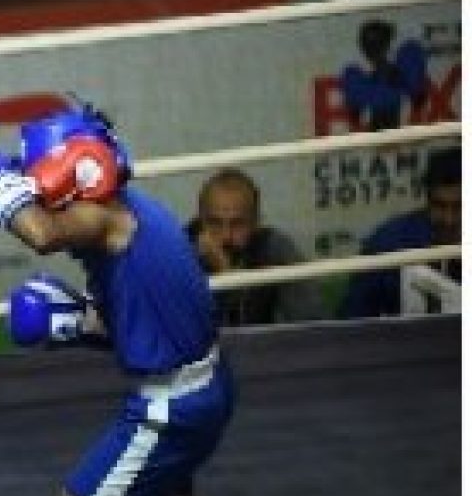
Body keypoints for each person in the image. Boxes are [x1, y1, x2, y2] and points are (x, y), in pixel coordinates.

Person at [0, 102, 235, 496]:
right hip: (208, 385)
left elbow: (42, 234)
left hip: (172, 407)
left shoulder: (106, 216)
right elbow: (150, 323)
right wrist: (83, 322)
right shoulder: (134, 209)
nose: (39, 196)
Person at [186, 169, 325, 326]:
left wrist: (229, 277)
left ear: (256, 222)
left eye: (238, 224)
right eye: (215, 223)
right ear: (200, 220)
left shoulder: (274, 248)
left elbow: (312, 323)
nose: (226, 236)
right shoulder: (180, 253)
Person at [341, 146, 460, 318]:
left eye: (460, 207)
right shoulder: (389, 245)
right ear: (427, 201)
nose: (449, 219)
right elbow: (352, 321)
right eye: (439, 206)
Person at [339, 19, 428, 132]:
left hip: (404, 134)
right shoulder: (354, 76)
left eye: (377, 42)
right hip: (377, 137)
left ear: (387, 43)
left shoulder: (406, 62)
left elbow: (418, 99)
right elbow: (354, 116)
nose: (372, 48)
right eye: (368, 43)